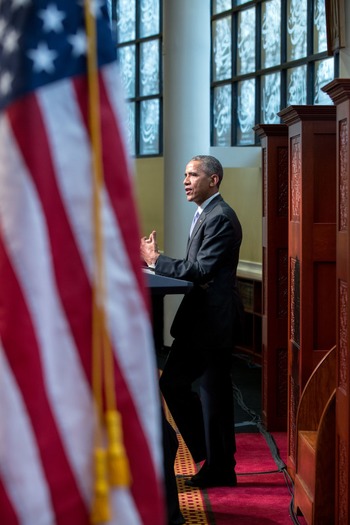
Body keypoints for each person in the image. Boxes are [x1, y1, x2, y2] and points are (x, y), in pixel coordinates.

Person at [140, 155, 243, 489]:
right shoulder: (205, 214)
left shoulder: (221, 217)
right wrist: (159, 264)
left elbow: (200, 271)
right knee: (186, 386)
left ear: (213, 180)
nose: (185, 180)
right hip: (202, 321)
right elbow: (196, 266)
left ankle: (218, 466)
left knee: (204, 391)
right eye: (184, 174)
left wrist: (156, 261)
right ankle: (215, 463)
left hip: (212, 322)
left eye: (193, 174)